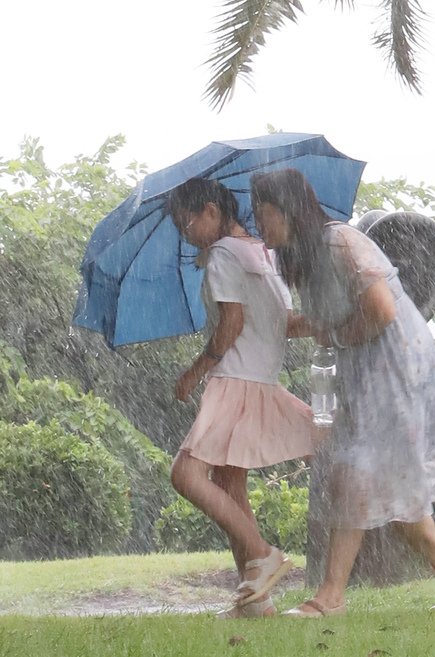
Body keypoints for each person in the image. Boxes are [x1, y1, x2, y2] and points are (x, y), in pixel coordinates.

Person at [249, 169, 435, 617]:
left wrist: (334, 335)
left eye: (262, 213)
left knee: (357, 476)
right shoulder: (305, 257)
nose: (258, 223)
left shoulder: (339, 242)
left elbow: (379, 311)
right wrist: (285, 325)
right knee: (384, 483)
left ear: (287, 210)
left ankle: (330, 597)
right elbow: (332, 322)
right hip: (366, 372)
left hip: (395, 367)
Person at [167, 179, 318, 618]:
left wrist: (194, 373)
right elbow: (286, 323)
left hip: (233, 379)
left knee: (185, 474)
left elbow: (231, 323)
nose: (187, 233)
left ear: (212, 211)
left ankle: (262, 553)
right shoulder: (263, 253)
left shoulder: (222, 254)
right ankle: (257, 600)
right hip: (260, 380)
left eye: (188, 222)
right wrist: (331, 320)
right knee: (230, 485)